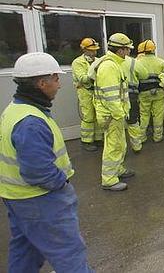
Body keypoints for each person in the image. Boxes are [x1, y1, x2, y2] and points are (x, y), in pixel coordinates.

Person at [0, 52, 93, 272]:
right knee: (69, 253)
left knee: (26, 250)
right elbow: (38, 172)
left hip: (17, 198)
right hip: (40, 200)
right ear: (42, 83)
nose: (59, 85)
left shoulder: (15, 109)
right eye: (56, 79)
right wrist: (61, 183)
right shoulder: (31, 122)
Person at [93, 33, 135, 191]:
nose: (129, 52)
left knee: (120, 144)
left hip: (114, 114)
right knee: (113, 146)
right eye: (127, 49)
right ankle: (109, 180)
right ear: (121, 50)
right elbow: (111, 96)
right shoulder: (109, 66)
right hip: (111, 115)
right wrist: (119, 114)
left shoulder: (113, 63)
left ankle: (118, 169)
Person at [72, 37, 101, 152]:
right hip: (85, 92)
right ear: (84, 50)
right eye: (92, 50)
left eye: (95, 50)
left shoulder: (98, 60)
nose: (94, 52)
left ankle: (98, 139)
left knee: (98, 115)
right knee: (88, 116)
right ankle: (87, 141)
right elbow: (83, 78)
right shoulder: (78, 62)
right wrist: (96, 74)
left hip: (97, 91)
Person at [137, 40, 164, 143]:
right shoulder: (161, 61)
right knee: (158, 115)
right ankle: (158, 137)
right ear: (154, 50)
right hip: (159, 92)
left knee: (144, 115)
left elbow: (134, 78)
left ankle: (141, 137)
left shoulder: (138, 62)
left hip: (144, 93)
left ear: (143, 51)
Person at [123, 49, 149, 154]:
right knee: (133, 120)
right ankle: (137, 146)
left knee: (116, 125)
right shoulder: (133, 62)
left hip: (112, 96)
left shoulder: (106, 61)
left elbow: (91, 75)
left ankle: (120, 152)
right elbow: (144, 75)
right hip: (131, 95)